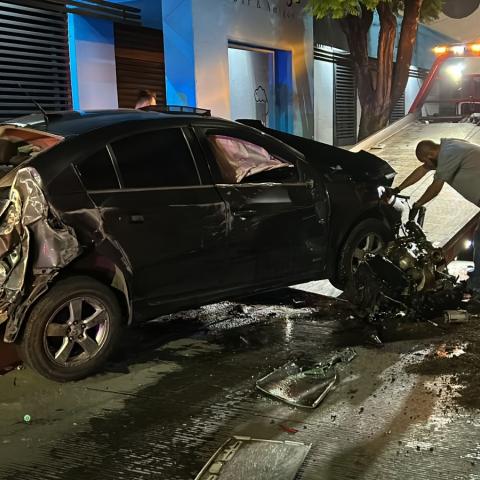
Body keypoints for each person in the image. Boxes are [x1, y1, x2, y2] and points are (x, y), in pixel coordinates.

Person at [387, 138, 480, 292]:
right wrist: (398, 189)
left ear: (430, 155)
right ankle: (478, 278)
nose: (427, 165)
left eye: (426, 161)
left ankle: (477, 286)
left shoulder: (448, 155)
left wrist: (418, 204)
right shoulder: (447, 148)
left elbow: (436, 187)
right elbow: (422, 170)